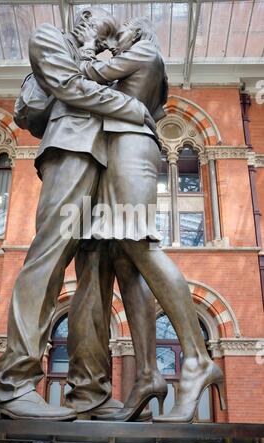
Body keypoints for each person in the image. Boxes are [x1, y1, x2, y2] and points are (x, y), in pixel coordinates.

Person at [0, 7, 152, 421]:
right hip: (72, 151)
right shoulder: (50, 36)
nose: (97, 24)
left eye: (107, 26)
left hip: (110, 161)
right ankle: (14, 384)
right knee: (49, 256)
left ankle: (89, 393)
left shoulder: (107, 59)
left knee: (98, 275)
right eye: (95, 17)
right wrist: (131, 109)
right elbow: (69, 88)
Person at [66, 17, 226, 422]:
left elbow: (82, 77)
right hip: (122, 153)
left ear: (136, 35)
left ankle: (195, 358)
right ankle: (149, 375)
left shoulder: (143, 51)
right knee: (125, 258)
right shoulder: (139, 60)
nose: (114, 38)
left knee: (140, 243)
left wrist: (89, 43)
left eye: (120, 32)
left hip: (131, 152)